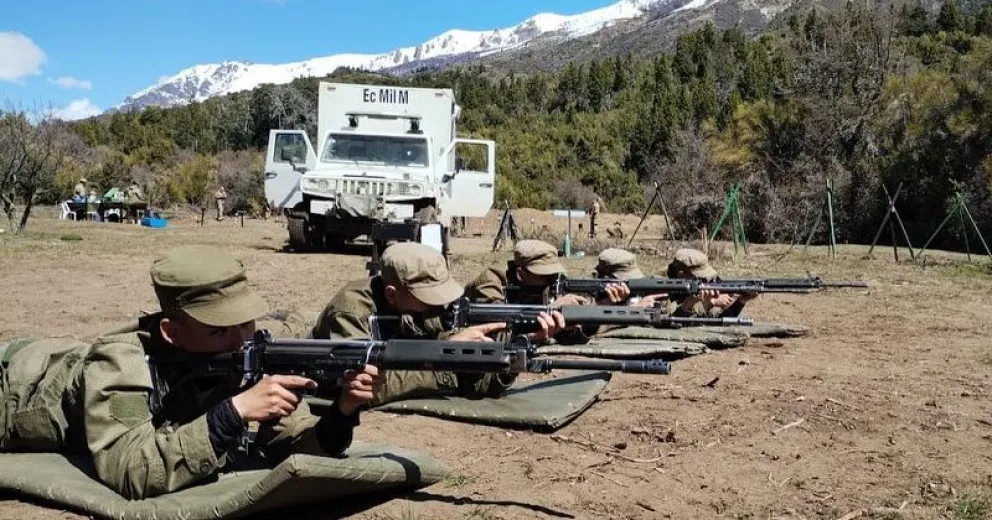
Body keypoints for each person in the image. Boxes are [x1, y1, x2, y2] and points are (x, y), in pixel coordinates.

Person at [0, 245, 377, 499]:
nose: (240, 339)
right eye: (220, 329)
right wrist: (233, 413)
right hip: (15, 383)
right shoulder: (119, 361)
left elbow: (290, 445)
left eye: (245, 323)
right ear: (171, 332)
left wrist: (341, 414)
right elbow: (131, 471)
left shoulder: (242, 352)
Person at [312, 242, 566, 406]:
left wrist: (510, 356)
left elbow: (470, 379)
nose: (439, 304)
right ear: (392, 294)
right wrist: (445, 355)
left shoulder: (426, 309)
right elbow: (364, 389)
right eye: (428, 295)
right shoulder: (351, 311)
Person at [463, 239, 629, 344]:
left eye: (554, 274)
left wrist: (591, 313)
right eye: (545, 276)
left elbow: (565, 336)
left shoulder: (545, 287)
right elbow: (495, 330)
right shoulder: (490, 283)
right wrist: (547, 310)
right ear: (521, 274)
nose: (552, 281)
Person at [666, 248, 757, 318]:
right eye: (700, 277)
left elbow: (714, 322)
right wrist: (710, 302)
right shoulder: (662, 288)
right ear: (681, 275)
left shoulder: (705, 284)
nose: (706, 280)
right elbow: (673, 320)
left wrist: (740, 302)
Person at [593, 248, 668, 309]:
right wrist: (635, 309)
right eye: (626, 281)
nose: (632, 283)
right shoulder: (588, 296)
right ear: (607, 279)